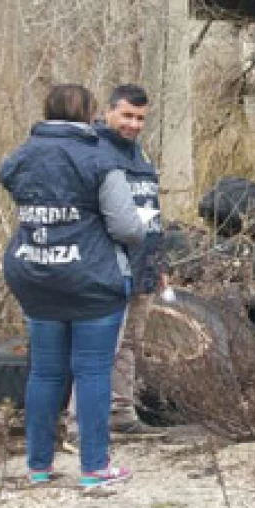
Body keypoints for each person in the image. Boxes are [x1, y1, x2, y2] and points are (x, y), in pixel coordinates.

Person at [0, 83, 144, 490]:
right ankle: (95, 467)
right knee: (92, 370)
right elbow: (127, 227)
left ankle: (39, 467)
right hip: (92, 280)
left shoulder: (22, 157)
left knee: (45, 372)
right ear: (90, 114)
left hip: (35, 274)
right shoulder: (99, 159)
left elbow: (14, 186)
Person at [95, 84, 165, 435]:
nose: (134, 124)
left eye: (140, 118)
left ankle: (121, 414)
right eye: (127, 115)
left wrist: (158, 264)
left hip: (144, 265)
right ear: (108, 111)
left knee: (130, 344)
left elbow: (150, 210)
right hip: (108, 267)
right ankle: (86, 421)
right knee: (102, 345)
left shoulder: (140, 155)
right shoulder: (95, 151)